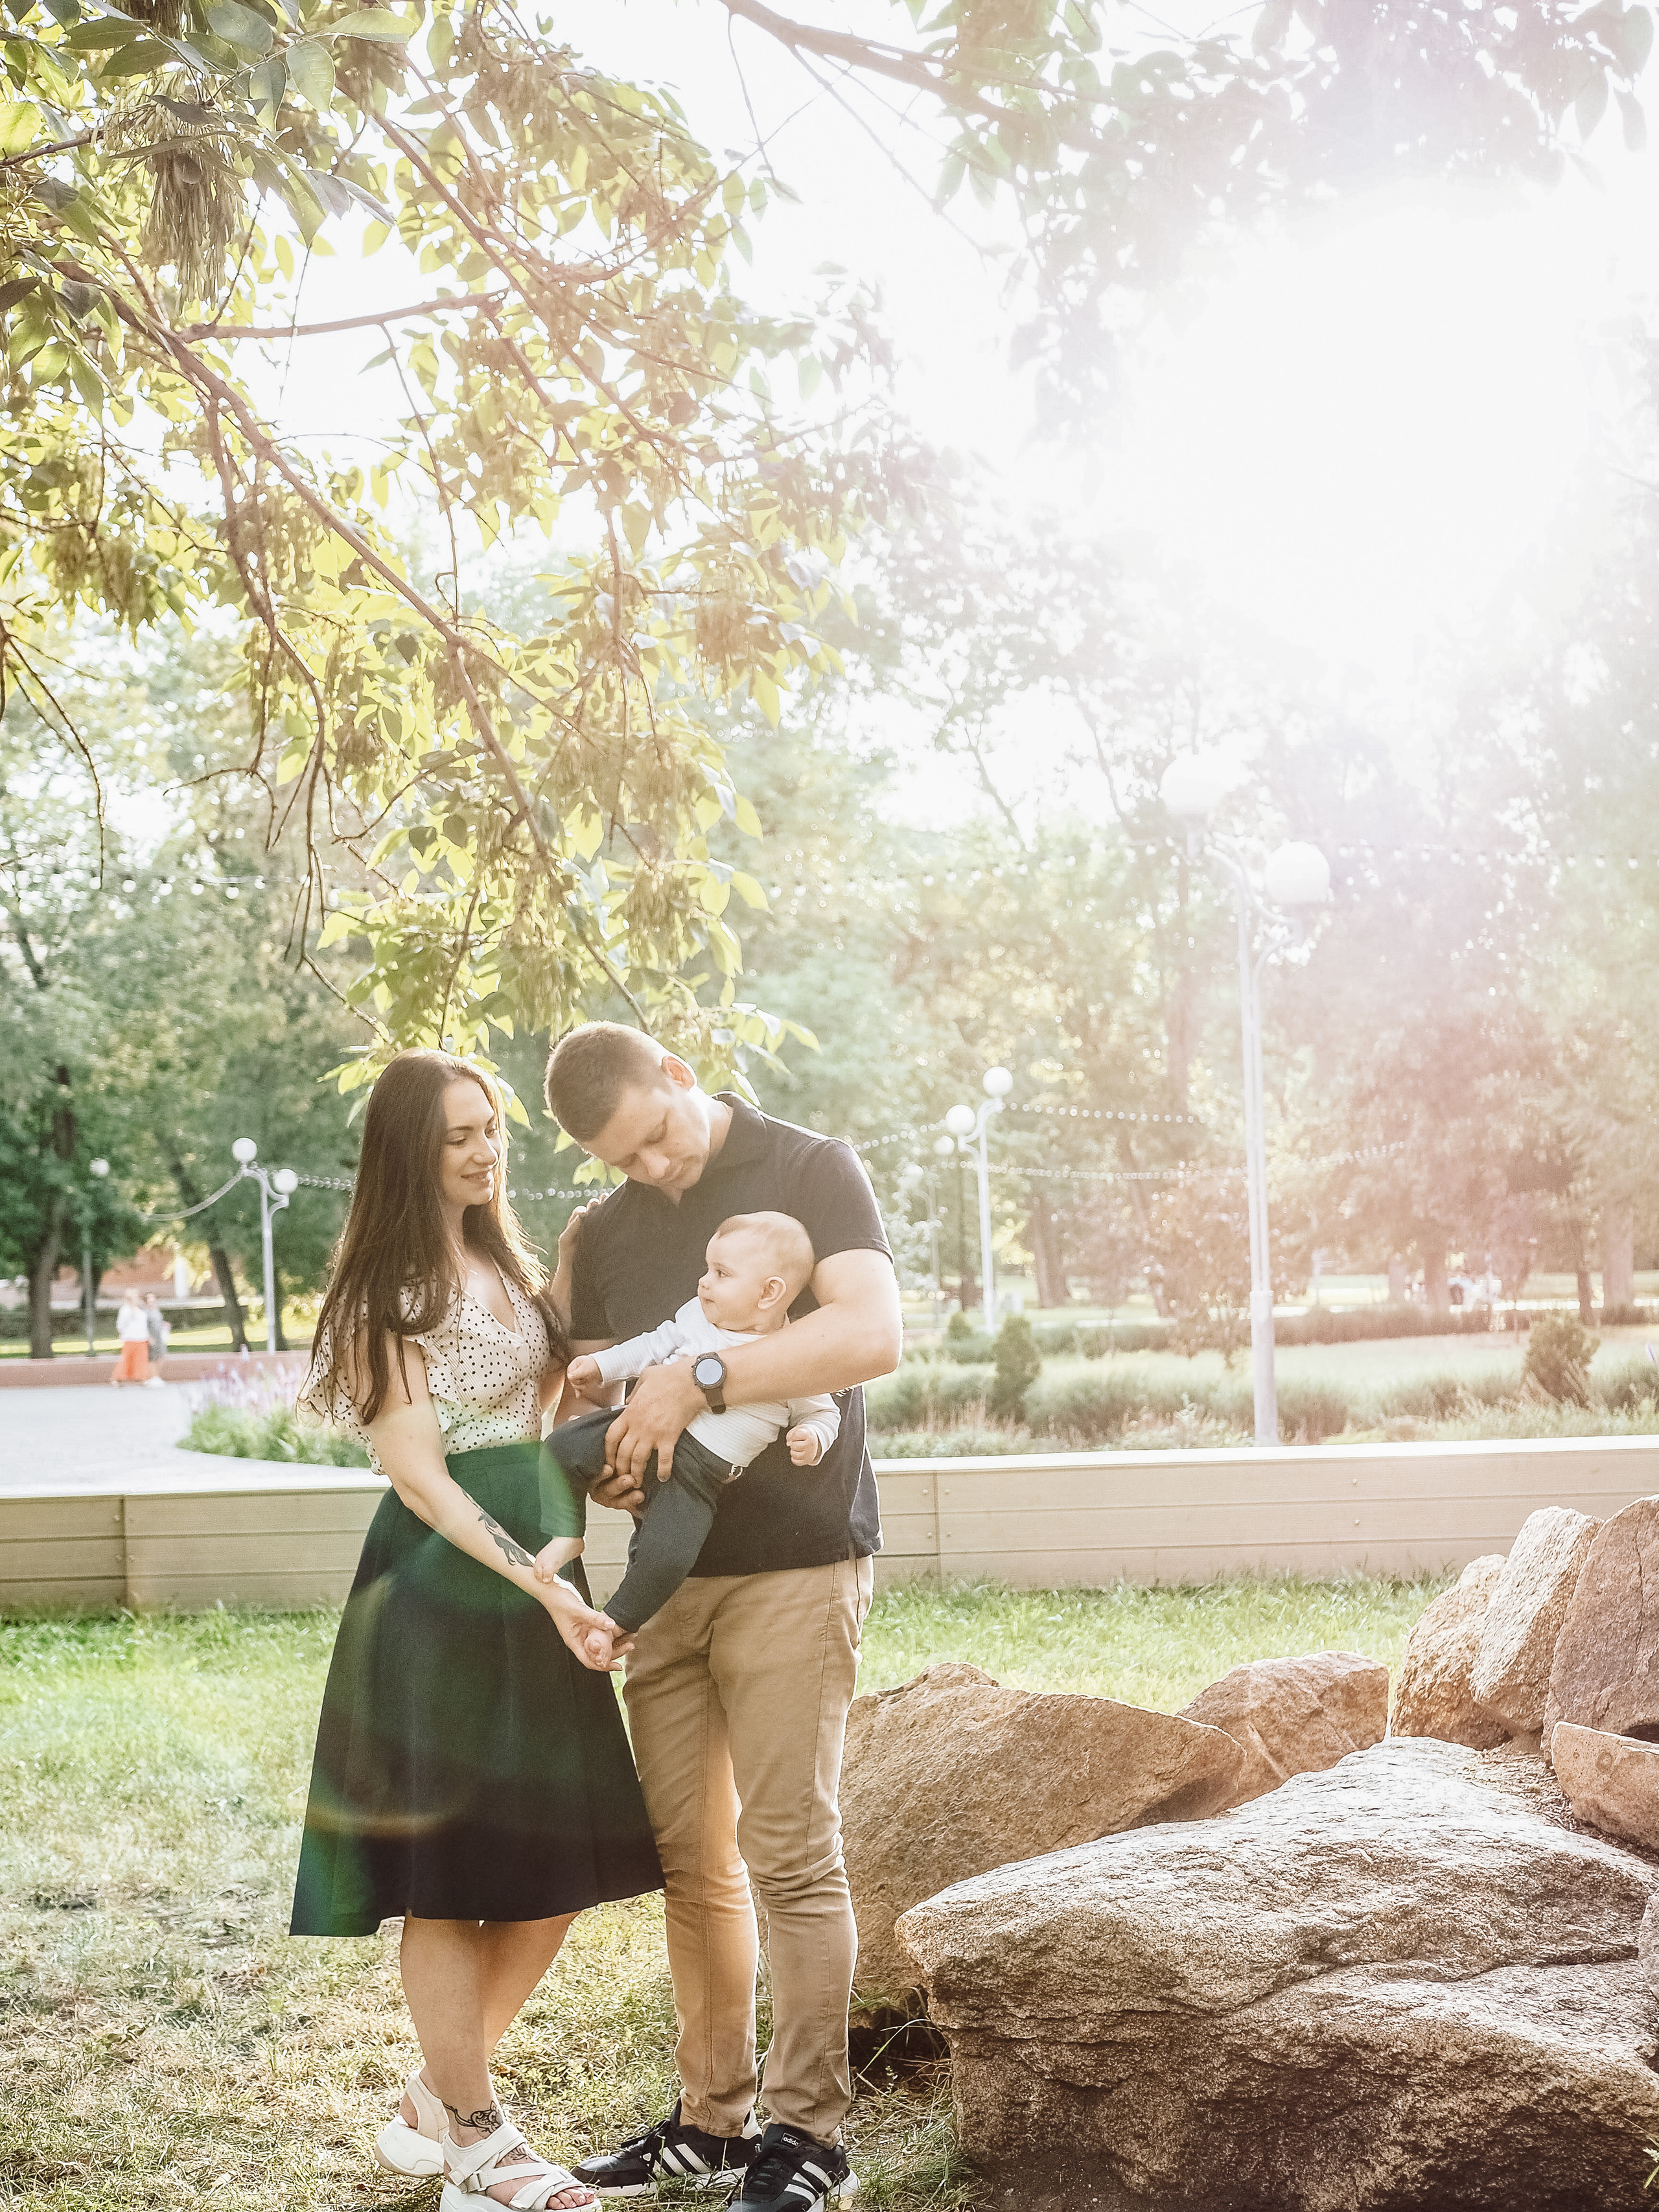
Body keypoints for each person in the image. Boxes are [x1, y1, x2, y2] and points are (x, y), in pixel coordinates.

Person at [289, 1048, 662, 2212]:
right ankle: (480, 2140)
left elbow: (537, 1412)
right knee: (449, 1880)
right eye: (458, 1133)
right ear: (409, 1150)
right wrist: (543, 1585)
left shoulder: (507, 1261)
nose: (485, 1149)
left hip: (539, 1573)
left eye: (491, 1126)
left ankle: (436, 2100)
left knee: (557, 1866)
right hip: (440, 1596)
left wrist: (593, 1444)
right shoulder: (383, 1294)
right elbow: (425, 1481)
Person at [544, 1022, 901, 2212]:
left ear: (680, 1075)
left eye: (656, 1135)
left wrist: (696, 1378)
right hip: (670, 1581)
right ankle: (713, 2121)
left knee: (790, 1854)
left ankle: (810, 2135)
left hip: (796, 1569)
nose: (652, 1167)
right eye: (622, 1158)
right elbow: (596, 1388)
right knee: (691, 1864)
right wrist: (614, 1466)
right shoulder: (608, 1229)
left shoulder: (811, 1167)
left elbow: (869, 1335)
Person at [535, 1210, 841, 1658]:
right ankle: (567, 1532)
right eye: (707, 1268)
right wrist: (601, 1366)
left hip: (697, 1478)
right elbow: (651, 1345)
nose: (704, 1282)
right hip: (635, 1433)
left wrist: (813, 1436)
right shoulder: (696, 1317)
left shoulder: (789, 1355)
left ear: (769, 1292)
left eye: (721, 1273)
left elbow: (824, 1411)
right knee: (561, 1446)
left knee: (669, 1556)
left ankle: (614, 1623)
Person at [111, 1293, 151, 1386]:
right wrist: (122, 1333)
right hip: (130, 1339)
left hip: (141, 1338)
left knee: (141, 1360)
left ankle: (143, 1378)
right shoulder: (125, 1310)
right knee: (126, 1359)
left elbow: (143, 1326)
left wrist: (147, 1336)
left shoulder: (140, 1310)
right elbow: (121, 1324)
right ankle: (117, 1378)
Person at [143, 1290, 169, 1383]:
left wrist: (164, 1325)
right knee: (152, 1358)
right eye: (149, 1298)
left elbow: (158, 1322)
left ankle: (156, 1376)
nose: (151, 1300)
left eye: (152, 1297)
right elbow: (144, 1326)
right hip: (152, 1337)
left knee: (161, 1356)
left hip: (159, 1337)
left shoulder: (156, 1310)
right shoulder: (145, 1312)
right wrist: (149, 1338)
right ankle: (154, 1377)